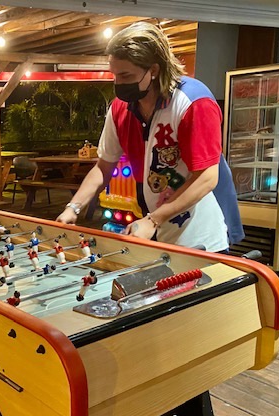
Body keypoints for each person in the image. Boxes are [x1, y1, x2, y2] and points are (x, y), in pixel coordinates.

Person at [57, 22, 243, 253]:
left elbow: (207, 177)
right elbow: (104, 167)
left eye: (125, 75)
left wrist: (153, 220)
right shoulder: (120, 108)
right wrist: (73, 207)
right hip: (155, 224)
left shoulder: (193, 102)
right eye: (115, 75)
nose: (118, 83)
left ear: (153, 70)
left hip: (203, 231)